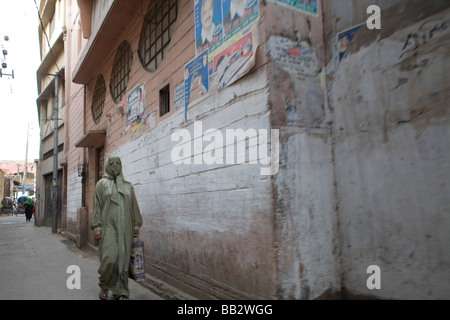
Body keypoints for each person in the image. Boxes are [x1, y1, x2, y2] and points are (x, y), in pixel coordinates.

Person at [91, 156, 143, 300]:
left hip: (125, 228)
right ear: (107, 166)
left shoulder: (128, 186)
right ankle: (104, 285)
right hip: (108, 227)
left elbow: (134, 206)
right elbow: (97, 206)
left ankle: (121, 291)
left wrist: (136, 224)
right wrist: (97, 227)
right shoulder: (101, 184)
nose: (115, 166)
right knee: (109, 259)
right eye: (112, 163)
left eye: (117, 163)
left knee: (123, 260)